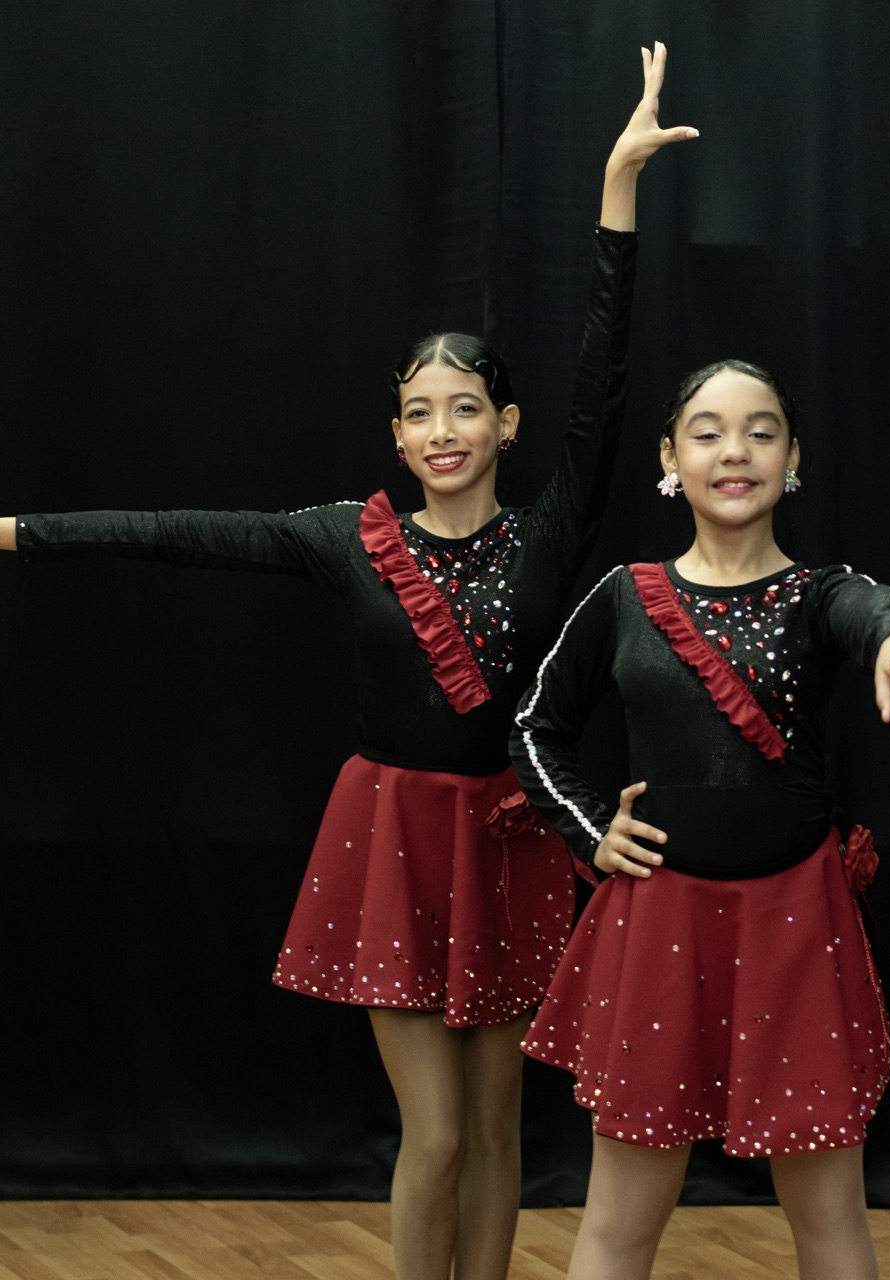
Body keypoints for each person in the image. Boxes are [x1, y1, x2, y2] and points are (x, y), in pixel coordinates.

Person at [0, 42, 698, 1280]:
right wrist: (14, 531)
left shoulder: (548, 535)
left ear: (507, 424)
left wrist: (615, 194)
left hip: (511, 834)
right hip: (394, 839)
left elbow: (605, 378)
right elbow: (180, 533)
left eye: (466, 405)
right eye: (420, 411)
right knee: (437, 1131)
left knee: (499, 1125)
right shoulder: (346, 538)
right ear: (397, 433)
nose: (443, 427)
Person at [508, 356, 890, 1280]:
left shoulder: (822, 592)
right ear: (669, 458)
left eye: (761, 433)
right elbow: (536, 727)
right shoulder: (625, 595)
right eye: (709, 432)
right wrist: (592, 830)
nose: (736, 452)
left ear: (792, 459)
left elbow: (871, 609)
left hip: (796, 922)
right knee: (619, 1219)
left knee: (830, 1218)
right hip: (661, 923)